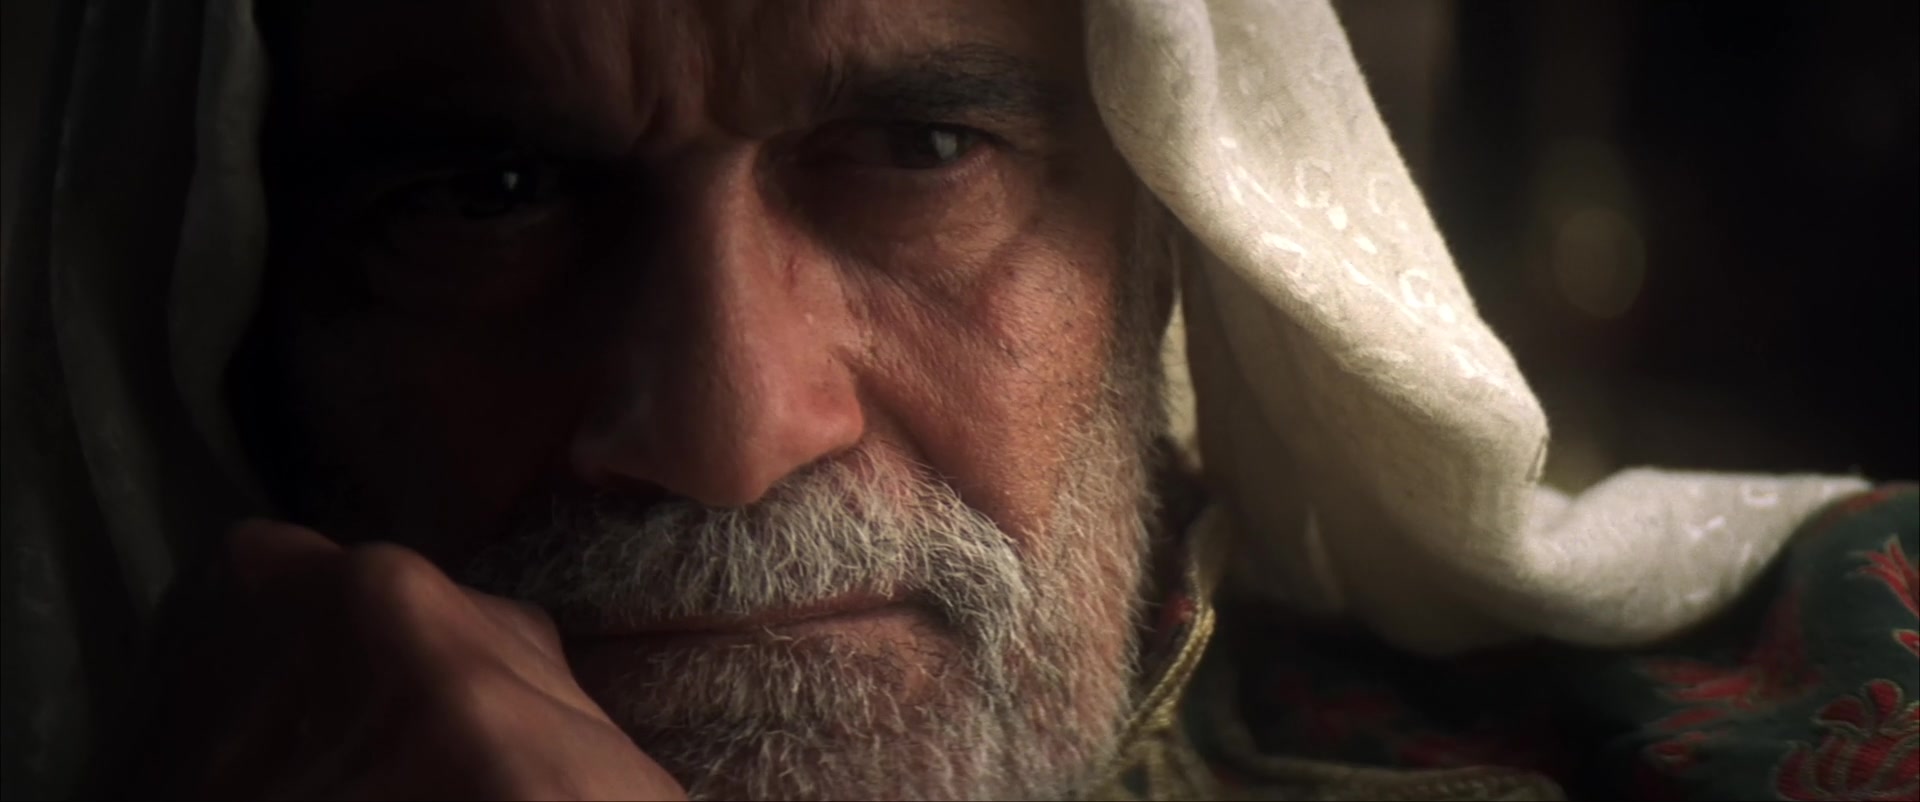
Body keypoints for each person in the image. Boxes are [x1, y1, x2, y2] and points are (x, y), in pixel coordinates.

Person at [1, 0, 1912, 800]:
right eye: (492, 194)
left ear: (1166, 238)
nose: (733, 431)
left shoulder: (1844, 696)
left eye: (918, 151)